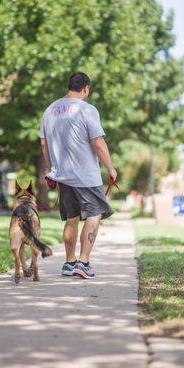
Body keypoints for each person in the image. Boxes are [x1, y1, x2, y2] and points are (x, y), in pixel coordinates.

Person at [39, 72, 117, 279]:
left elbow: (44, 143)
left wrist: (53, 170)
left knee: (71, 219)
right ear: (86, 88)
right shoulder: (87, 109)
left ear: (69, 86)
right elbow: (98, 143)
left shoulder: (50, 110)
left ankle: (69, 262)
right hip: (86, 176)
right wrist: (111, 169)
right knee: (94, 215)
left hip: (63, 175)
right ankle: (83, 263)